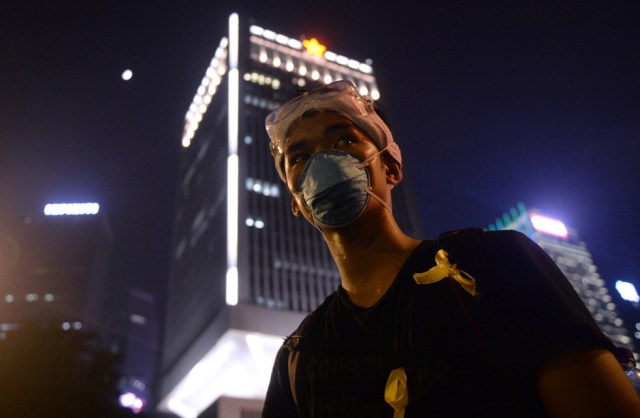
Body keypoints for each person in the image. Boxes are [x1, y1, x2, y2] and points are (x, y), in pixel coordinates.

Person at [260, 79, 640, 418]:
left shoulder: (496, 264)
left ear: (390, 166)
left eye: (343, 140)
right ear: (297, 201)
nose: (324, 162)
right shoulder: (300, 356)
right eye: (300, 157)